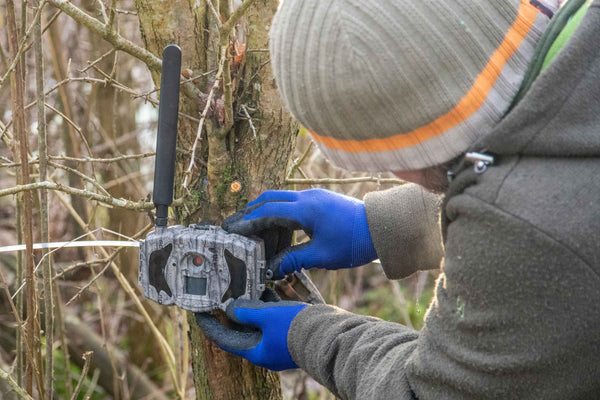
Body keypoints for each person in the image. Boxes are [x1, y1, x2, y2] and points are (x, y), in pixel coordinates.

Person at [198, 0, 600, 398]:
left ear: (432, 136)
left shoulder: (531, 240)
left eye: (389, 157)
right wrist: (385, 226)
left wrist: (314, 337)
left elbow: (432, 393)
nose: (394, 172)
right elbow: (547, 183)